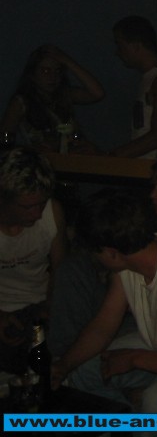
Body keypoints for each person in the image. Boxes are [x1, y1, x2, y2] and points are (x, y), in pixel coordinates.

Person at [51, 189, 157, 415]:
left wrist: (136, 359)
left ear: (111, 253)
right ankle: (127, 420)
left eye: (95, 253)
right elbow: (103, 327)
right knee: (84, 370)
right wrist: (63, 365)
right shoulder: (129, 263)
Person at [0, 147, 66, 373]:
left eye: (41, 204)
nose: (37, 214)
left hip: (38, 306)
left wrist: (49, 306)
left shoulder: (52, 212)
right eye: (28, 207)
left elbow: (61, 270)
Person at [109, 16, 157, 159]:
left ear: (135, 45)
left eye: (120, 45)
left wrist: (110, 157)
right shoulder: (152, 78)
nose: (118, 52)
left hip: (154, 166)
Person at [0, 45, 104, 152]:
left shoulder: (65, 94)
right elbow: (4, 140)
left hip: (71, 158)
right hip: (42, 159)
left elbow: (97, 94)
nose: (52, 77)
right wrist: (32, 149)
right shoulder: (21, 102)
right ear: (32, 74)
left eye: (57, 71)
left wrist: (67, 61)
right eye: (45, 71)